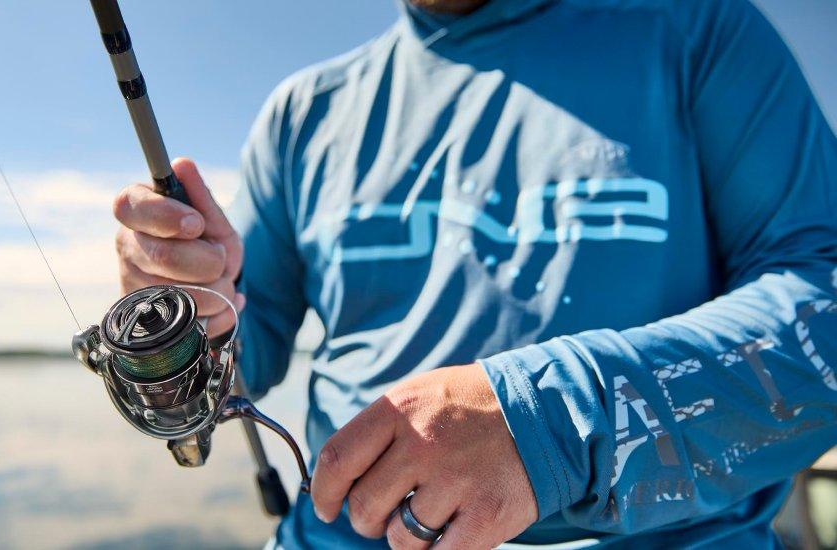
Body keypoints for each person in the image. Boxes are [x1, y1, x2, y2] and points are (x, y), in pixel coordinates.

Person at [112, 0, 837, 547]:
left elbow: (823, 301)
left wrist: (547, 423)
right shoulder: (302, 114)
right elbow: (242, 364)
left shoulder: (697, 28)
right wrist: (177, 323)